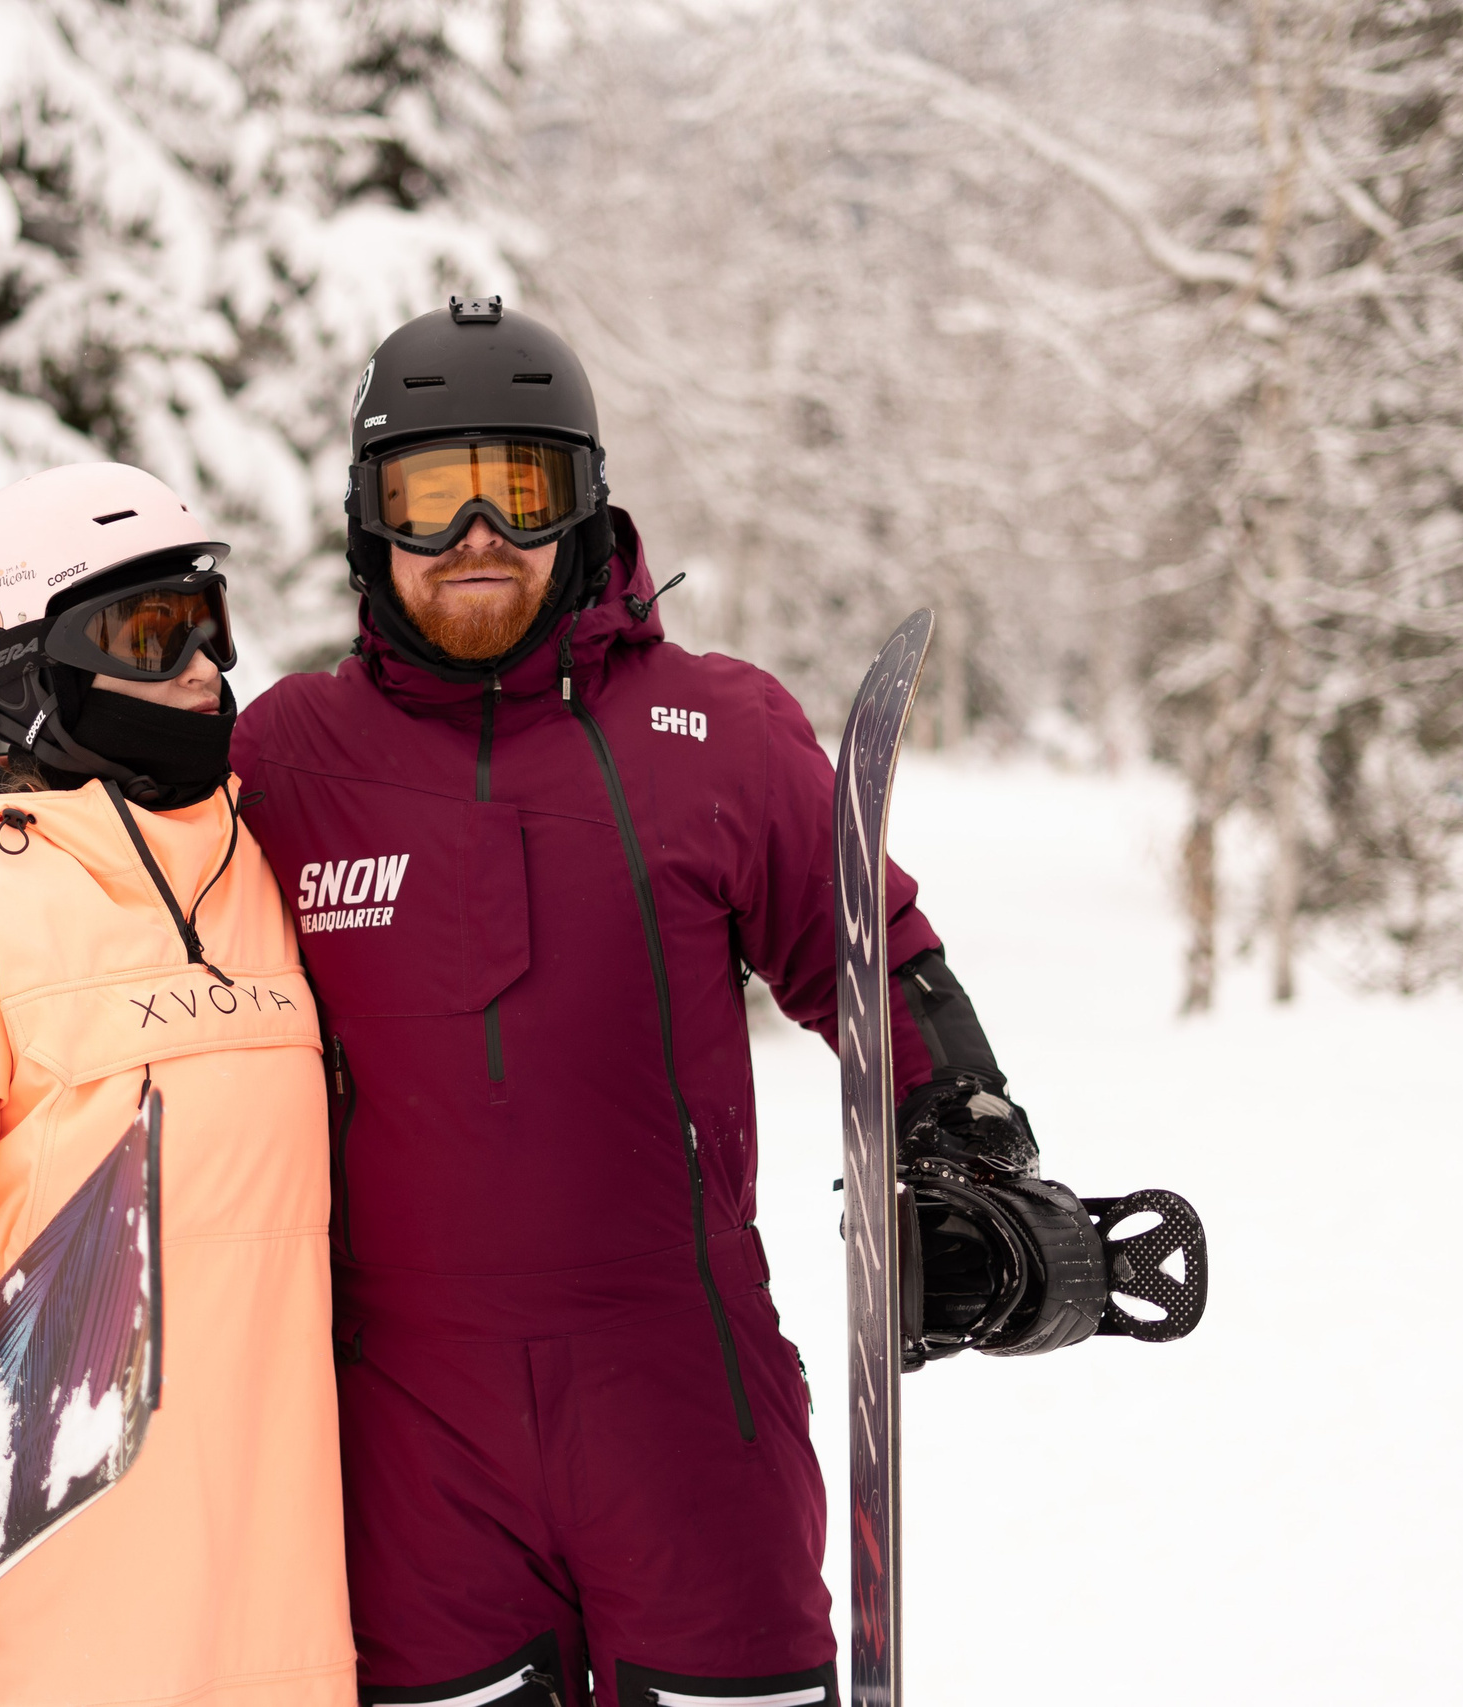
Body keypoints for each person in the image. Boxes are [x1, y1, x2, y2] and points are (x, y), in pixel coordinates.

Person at [231, 301, 1044, 1707]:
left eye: (520, 487)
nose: (476, 532)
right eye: (430, 497)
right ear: (372, 522)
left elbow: (872, 955)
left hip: (683, 1394)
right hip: (403, 1427)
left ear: (587, 501)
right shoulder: (286, 762)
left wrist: (968, 1145)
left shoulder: (714, 729)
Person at [0, 463, 354, 1707]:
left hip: (280, 1562)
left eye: (207, 623)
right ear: (27, 676)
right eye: (151, 636)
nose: (204, 668)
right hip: (49, 1581)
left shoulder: (266, 870)